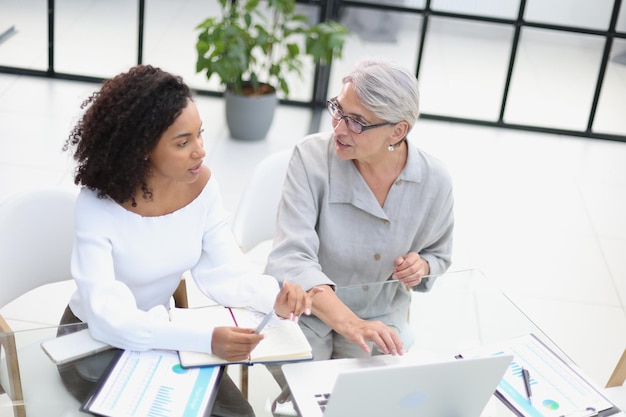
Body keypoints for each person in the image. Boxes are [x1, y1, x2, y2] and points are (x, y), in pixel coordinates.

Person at [60, 64, 313, 417]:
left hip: (163, 335)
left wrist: (275, 299)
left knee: (240, 415)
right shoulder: (98, 202)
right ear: (143, 147)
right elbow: (108, 317)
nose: (201, 151)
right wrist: (205, 340)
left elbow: (224, 270)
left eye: (199, 135)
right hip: (92, 342)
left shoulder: (201, 184)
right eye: (183, 142)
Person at [265, 58, 454, 409]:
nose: (339, 128)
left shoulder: (434, 181)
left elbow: (439, 255)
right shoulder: (310, 158)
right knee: (310, 399)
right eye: (338, 110)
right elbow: (291, 257)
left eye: (357, 122)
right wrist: (350, 323)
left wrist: (422, 267)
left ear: (397, 132)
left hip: (381, 318)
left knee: (367, 404)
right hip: (307, 314)